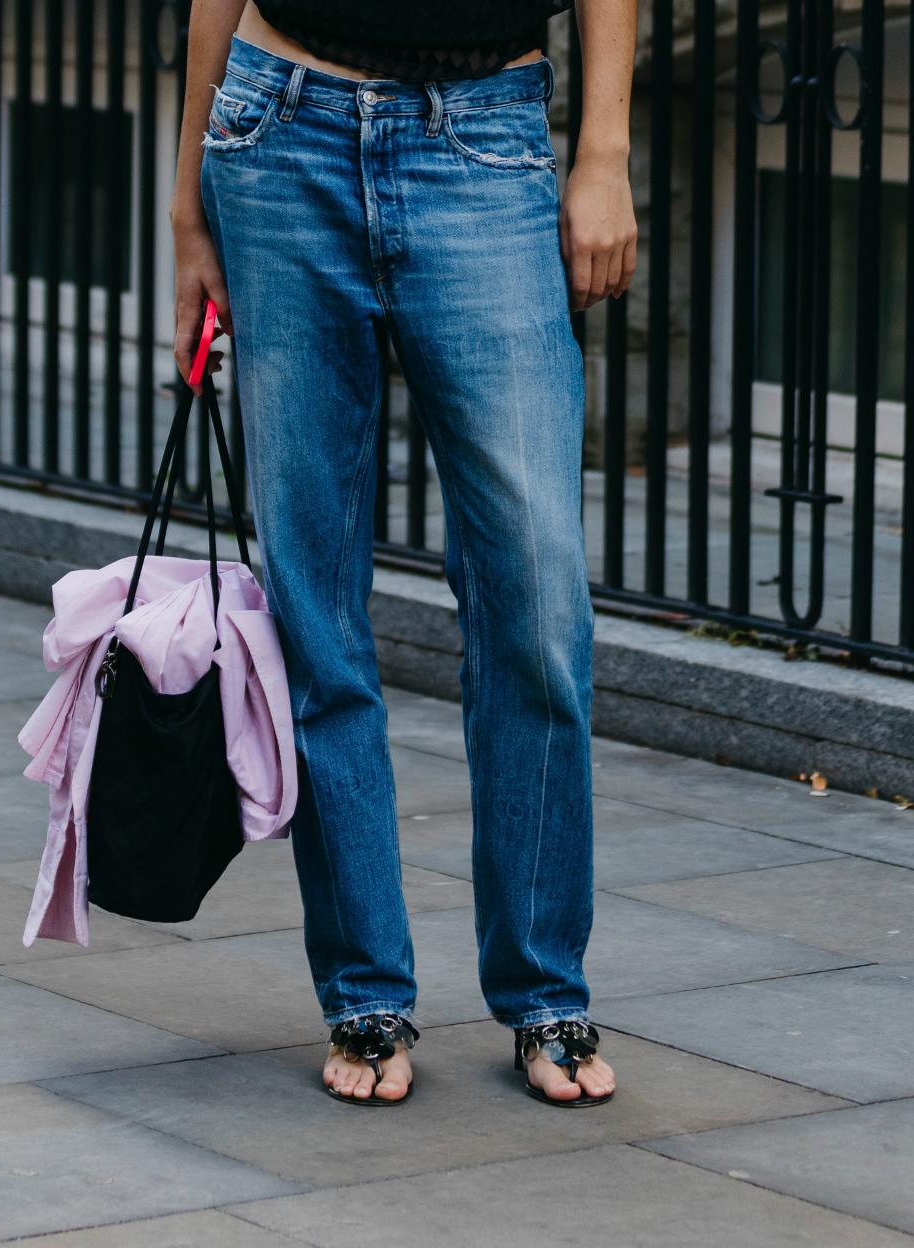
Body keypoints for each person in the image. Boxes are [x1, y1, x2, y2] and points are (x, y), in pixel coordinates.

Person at [171, 0, 637, 1107]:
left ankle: (542, 986)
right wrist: (189, 202)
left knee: (535, 601)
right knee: (314, 607)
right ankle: (363, 988)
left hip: (484, 139)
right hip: (278, 134)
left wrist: (604, 151)